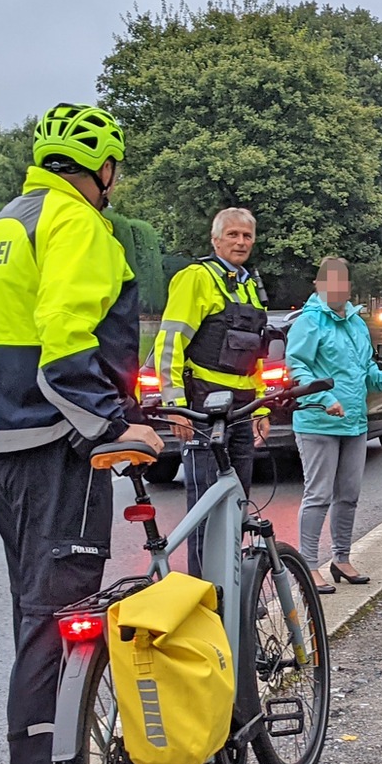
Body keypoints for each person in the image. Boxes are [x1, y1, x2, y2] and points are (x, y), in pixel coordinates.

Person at [0, 102, 163, 764]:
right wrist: (114, 426)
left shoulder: (0, 227)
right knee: (59, 622)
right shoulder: (77, 223)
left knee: (35, 617)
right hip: (57, 446)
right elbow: (66, 347)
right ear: (102, 166)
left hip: (1, 443)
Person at [153, 208, 270, 575]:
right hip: (204, 408)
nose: (240, 242)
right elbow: (170, 342)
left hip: (241, 410)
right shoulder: (196, 279)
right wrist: (175, 406)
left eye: (246, 236)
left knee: (237, 504)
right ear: (215, 239)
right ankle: (203, 591)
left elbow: (256, 355)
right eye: (232, 235)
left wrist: (262, 409)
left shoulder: (249, 284)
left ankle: (233, 590)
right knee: (204, 504)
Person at [286, 257, 382, 593]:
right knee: (319, 495)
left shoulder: (355, 322)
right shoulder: (309, 323)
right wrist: (326, 400)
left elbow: (366, 366)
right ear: (319, 285)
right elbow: (299, 369)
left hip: (354, 421)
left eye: (343, 282)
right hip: (318, 421)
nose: (337, 288)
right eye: (330, 281)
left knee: (349, 495)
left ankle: (342, 558)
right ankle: (309, 565)